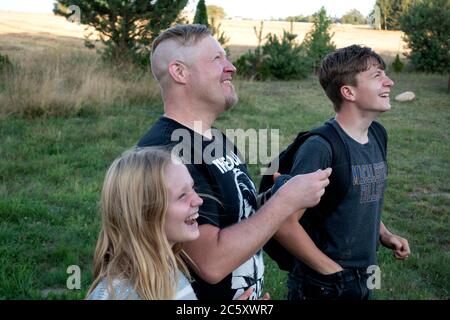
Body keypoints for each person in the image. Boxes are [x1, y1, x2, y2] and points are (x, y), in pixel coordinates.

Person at [137, 24, 332, 300]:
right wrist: (283, 202)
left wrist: (273, 197)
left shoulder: (214, 138)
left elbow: (231, 215)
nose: (231, 68)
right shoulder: (167, 153)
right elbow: (209, 263)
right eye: (217, 59)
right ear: (180, 72)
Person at [274, 45, 411, 300]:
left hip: (365, 273)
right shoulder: (320, 148)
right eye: (377, 76)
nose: (389, 82)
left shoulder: (378, 135)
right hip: (322, 283)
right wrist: (333, 272)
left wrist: (385, 234)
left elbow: (356, 195)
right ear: (348, 92)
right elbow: (283, 223)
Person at [86, 146, 263, 300]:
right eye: (182, 195)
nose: (198, 200)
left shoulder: (165, 271)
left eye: (193, 188)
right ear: (145, 213)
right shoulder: (123, 293)